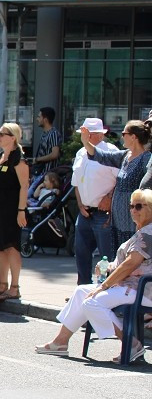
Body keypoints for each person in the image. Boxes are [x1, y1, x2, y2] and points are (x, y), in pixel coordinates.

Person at [36, 188, 152, 363]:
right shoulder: (141, 231)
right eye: (131, 206)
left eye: (138, 206)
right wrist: (108, 266)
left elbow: (131, 264)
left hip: (141, 290)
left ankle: (131, 345)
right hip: (128, 286)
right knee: (82, 291)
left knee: (92, 301)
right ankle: (60, 342)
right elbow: (125, 262)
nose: (133, 210)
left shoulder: (148, 233)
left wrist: (104, 286)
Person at [82, 117, 152, 247]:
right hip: (118, 221)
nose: (122, 136)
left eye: (124, 133)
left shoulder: (147, 159)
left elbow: (146, 188)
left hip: (134, 221)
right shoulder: (125, 155)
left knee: (133, 257)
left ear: (133, 137)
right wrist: (86, 142)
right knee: (118, 257)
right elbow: (102, 156)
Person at [71, 118, 120, 284]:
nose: (85, 137)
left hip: (103, 212)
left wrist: (109, 198)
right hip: (85, 211)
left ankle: (106, 288)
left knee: (106, 255)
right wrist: (79, 203)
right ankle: (83, 288)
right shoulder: (80, 153)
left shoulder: (110, 151)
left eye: (88, 134)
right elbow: (76, 182)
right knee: (81, 252)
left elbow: (121, 180)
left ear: (98, 135)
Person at [0, 122, 30, 300]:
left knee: (12, 247)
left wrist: (21, 210)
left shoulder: (18, 159)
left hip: (11, 209)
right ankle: (2, 283)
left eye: (2, 134)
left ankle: (15, 286)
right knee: (1, 247)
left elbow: (24, 186)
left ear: (13, 137)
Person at [30, 107, 62, 177]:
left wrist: (38, 159)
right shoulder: (44, 134)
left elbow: (55, 154)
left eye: (39, 117)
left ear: (45, 119)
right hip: (41, 173)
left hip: (49, 175)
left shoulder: (53, 134)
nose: (37, 119)